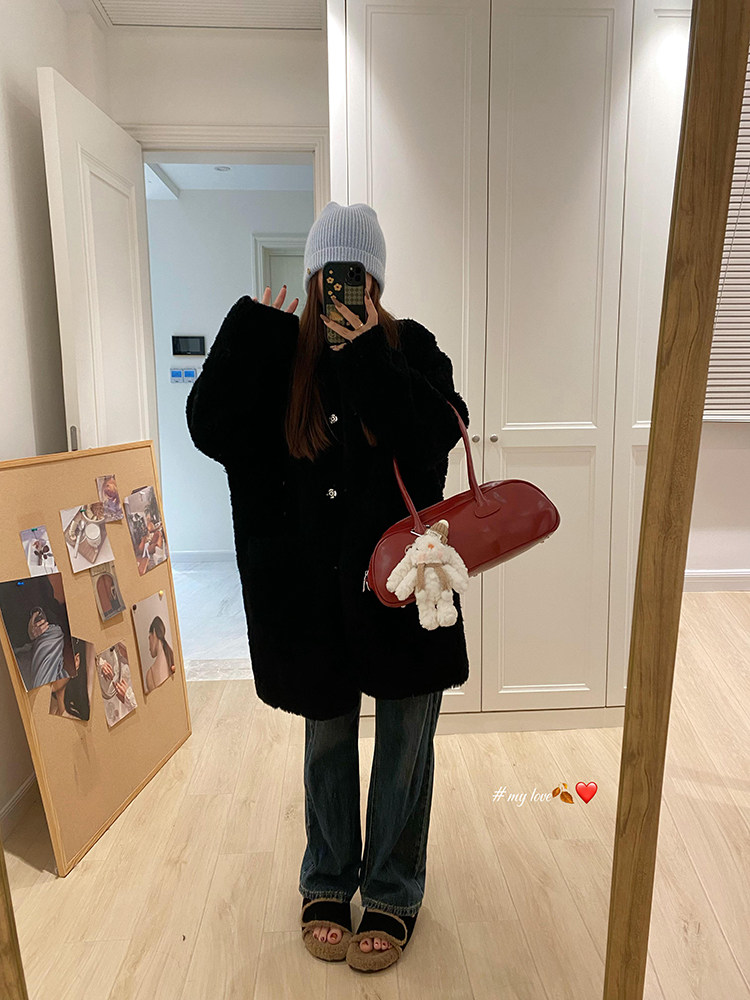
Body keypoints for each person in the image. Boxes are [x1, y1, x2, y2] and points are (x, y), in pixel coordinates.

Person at [186, 201, 470, 973]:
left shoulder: (412, 348)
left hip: (404, 587)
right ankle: (327, 880)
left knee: (406, 743)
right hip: (313, 594)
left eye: (358, 275)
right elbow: (212, 428)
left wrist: (370, 355)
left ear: (376, 281)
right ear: (313, 277)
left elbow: (434, 436)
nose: (344, 289)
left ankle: (393, 891)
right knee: (329, 739)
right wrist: (248, 331)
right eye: (331, 275)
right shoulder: (280, 355)